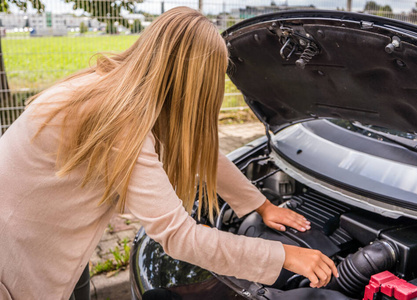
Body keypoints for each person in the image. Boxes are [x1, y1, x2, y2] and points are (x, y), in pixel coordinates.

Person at [0, 7, 338, 299]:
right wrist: (283, 256)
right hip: (15, 264)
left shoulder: (114, 87)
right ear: (193, 84)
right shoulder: (120, 120)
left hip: (48, 244)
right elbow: (179, 237)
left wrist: (259, 204)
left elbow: (196, 149)